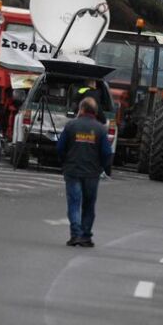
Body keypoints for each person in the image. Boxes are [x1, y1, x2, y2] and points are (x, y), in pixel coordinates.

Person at [56, 97, 113, 248]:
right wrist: (102, 167)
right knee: (88, 205)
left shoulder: (71, 126)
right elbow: (107, 153)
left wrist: (65, 162)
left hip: (73, 171)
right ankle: (85, 236)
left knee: (74, 203)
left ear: (81, 109)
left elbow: (60, 148)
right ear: (94, 111)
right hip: (92, 174)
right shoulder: (100, 129)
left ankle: (75, 235)